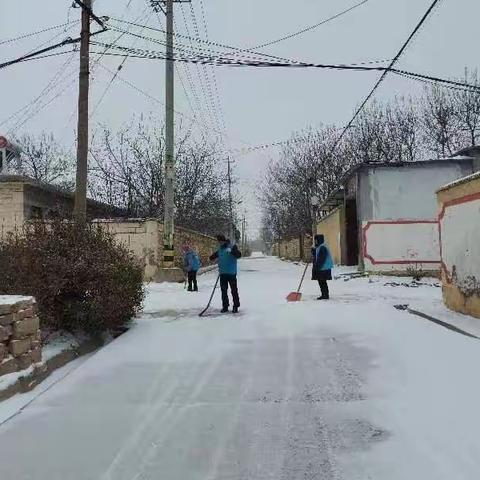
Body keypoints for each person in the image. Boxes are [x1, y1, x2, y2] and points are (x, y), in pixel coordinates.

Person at [209, 234, 242, 313]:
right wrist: (211, 257)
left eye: (221, 241)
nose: (220, 243)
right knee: (223, 291)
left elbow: (239, 255)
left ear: (224, 240)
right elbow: (213, 256)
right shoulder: (220, 249)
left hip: (231, 273)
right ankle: (225, 306)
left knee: (234, 290)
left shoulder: (232, 247)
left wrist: (232, 252)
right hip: (223, 273)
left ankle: (235, 306)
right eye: (219, 242)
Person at [311, 234, 334, 300]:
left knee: (322, 281)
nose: (315, 242)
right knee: (321, 281)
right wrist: (313, 250)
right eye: (315, 240)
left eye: (316, 240)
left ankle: (325, 295)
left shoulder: (323, 247)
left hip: (324, 268)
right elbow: (316, 256)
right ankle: (324, 294)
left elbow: (322, 259)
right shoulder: (319, 247)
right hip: (322, 267)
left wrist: (317, 267)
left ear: (319, 240)